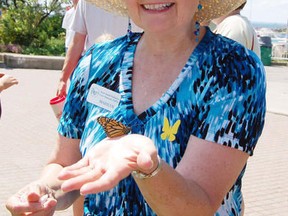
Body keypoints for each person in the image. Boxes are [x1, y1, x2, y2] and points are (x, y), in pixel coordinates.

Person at [6, 0, 266, 215]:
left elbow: (198, 206)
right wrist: (45, 192)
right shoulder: (96, 62)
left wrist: (146, 166)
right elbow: (65, 163)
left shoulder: (233, 70)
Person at [56, 0, 142, 97]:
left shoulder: (136, 3)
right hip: (95, 75)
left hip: (130, 77)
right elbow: (77, 43)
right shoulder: (85, 2)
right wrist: (63, 79)